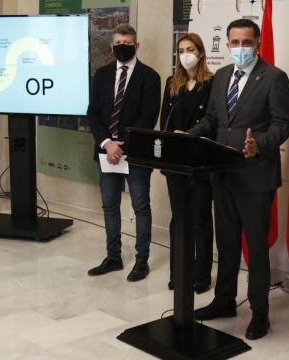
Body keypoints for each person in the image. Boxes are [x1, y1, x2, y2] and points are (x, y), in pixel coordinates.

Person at [186, 19, 289, 340]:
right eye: (235, 42)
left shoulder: (274, 77)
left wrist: (258, 143)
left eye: (247, 42)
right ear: (228, 45)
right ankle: (224, 301)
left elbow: (283, 124)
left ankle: (260, 312)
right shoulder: (220, 77)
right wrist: (187, 136)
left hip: (256, 177)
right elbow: (212, 120)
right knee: (227, 243)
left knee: (256, 248)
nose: (240, 47)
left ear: (257, 44)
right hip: (223, 175)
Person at [86, 24, 161, 282]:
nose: (122, 46)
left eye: (127, 42)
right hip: (106, 152)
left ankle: (142, 261)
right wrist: (108, 143)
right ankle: (113, 257)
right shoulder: (102, 74)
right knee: (109, 205)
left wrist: (121, 145)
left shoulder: (150, 77)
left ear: (136, 45)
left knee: (141, 206)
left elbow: (147, 118)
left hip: (136, 153)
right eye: (118, 42)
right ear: (111, 46)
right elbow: (92, 113)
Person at [160, 33, 214, 294]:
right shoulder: (172, 83)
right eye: (181, 50)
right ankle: (178, 271)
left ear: (201, 52)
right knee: (179, 219)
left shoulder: (212, 83)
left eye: (190, 49)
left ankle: (202, 275)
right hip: (175, 163)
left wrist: (190, 135)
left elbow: (213, 122)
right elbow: (164, 123)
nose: (185, 55)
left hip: (201, 162)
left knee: (201, 220)